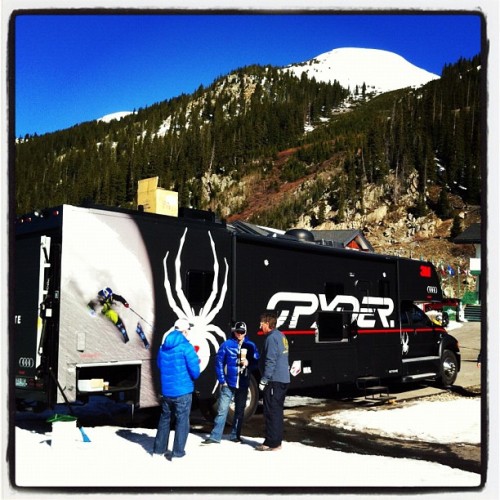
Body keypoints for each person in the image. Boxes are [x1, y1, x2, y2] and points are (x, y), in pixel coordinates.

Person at [202, 321, 259, 445]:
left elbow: (256, 361)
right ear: (234, 331)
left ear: (245, 332)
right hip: (229, 383)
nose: (239, 334)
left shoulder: (250, 345)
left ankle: (235, 435)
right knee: (222, 410)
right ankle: (215, 436)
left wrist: (249, 363)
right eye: (237, 332)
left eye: (242, 332)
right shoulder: (226, 345)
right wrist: (222, 380)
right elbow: (218, 363)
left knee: (239, 411)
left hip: (243, 383)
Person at [153, 318, 200, 460]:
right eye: (188, 330)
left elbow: (160, 365)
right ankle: (178, 453)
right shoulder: (186, 347)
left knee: (165, 419)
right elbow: (195, 372)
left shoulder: (163, 346)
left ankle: (158, 451)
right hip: (183, 391)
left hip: (167, 391)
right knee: (182, 421)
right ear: (184, 330)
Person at [255, 312, 290, 451]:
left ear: (268, 324)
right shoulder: (281, 336)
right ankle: (274, 440)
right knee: (276, 411)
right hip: (282, 379)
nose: (260, 326)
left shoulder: (271, 338)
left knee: (272, 411)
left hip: (274, 380)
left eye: (262, 323)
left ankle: (273, 443)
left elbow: (271, 361)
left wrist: (264, 379)